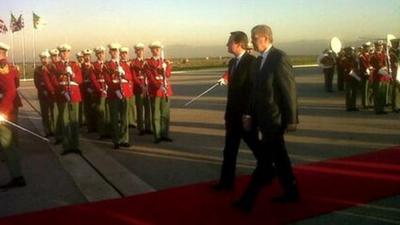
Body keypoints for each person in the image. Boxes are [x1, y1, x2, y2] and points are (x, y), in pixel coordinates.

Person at [238, 25, 299, 212]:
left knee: (264, 161)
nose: (251, 42)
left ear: (265, 38)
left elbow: (288, 90)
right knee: (280, 158)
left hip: (275, 119)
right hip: (262, 118)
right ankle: (292, 191)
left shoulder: (279, 58)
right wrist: (248, 114)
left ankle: (247, 199)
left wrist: (292, 119)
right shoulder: (257, 62)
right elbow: (254, 92)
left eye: (254, 38)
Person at [212, 31, 259, 191]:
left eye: (229, 42)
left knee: (255, 146)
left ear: (239, 44)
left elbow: (253, 91)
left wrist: (249, 114)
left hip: (245, 116)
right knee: (229, 151)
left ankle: (268, 168)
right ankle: (226, 183)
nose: (227, 44)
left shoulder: (252, 62)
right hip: (232, 115)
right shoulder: (232, 63)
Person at [0, 42, 26, 191]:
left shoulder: (2, 67)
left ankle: (17, 176)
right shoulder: (8, 67)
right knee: (9, 143)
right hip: (8, 108)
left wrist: (1, 111)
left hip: (4, 110)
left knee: (7, 143)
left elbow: (10, 91)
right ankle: (16, 171)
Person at [51, 44, 83, 155]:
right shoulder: (55, 66)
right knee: (65, 121)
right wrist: (62, 91)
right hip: (62, 95)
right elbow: (54, 81)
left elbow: (80, 80)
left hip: (74, 94)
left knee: (74, 121)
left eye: (67, 52)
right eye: (63, 52)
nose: (65, 54)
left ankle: (75, 145)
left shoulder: (74, 65)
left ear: (69, 53)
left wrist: (72, 74)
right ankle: (66, 146)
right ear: (60, 53)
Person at [104, 43, 132, 149]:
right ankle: (116, 140)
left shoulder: (124, 64)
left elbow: (130, 77)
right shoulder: (107, 65)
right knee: (115, 118)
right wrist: (116, 91)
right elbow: (107, 80)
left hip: (124, 93)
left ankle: (125, 139)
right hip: (113, 94)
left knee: (125, 117)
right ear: (110, 52)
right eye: (113, 50)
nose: (115, 52)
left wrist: (123, 73)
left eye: (116, 51)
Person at [144, 41, 173, 144]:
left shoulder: (165, 61)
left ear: (160, 50)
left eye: (158, 49)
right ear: (151, 50)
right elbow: (150, 77)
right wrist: (159, 86)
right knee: (156, 114)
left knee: (165, 114)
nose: (156, 51)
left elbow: (168, 75)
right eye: (154, 49)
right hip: (155, 90)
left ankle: (165, 134)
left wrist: (166, 68)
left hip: (165, 90)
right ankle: (157, 135)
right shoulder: (147, 63)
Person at [131, 43, 152, 135]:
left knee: (148, 109)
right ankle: (141, 128)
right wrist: (141, 85)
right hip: (139, 88)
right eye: (138, 50)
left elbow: (151, 74)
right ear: (136, 52)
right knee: (140, 109)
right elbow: (134, 77)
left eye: (141, 50)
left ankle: (148, 127)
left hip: (147, 87)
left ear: (144, 51)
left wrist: (147, 86)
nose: (140, 52)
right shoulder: (133, 63)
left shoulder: (147, 62)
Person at [33, 50, 56, 137]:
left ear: (49, 59)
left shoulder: (53, 68)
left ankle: (54, 130)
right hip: (43, 94)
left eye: (46, 58)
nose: (44, 60)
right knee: (45, 113)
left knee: (53, 112)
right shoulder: (38, 70)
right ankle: (47, 131)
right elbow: (37, 83)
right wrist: (43, 90)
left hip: (52, 93)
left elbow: (54, 80)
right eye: (43, 58)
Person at [90, 46, 111, 139]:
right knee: (101, 112)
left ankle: (109, 131)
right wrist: (100, 89)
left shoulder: (107, 64)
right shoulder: (93, 65)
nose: (101, 55)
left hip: (108, 90)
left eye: (102, 53)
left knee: (108, 112)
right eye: (99, 54)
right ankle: (102, 133)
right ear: (96, 55)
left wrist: (109, 87)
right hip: (100, 92)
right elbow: (93, 79)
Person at [371, 41, 391, 114]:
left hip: (383, 76)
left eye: (380, 46)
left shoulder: (384, 55)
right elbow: (374, 65)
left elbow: (387, 63)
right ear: (376, 47)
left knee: (382, 93)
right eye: (378, 46)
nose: (379, 47)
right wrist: (382, 67)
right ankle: (377, 109)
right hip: (377, 76)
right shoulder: (373, 55)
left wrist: (387, 68)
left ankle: (381, 109)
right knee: (377, 93)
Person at [342, 47, 361, 111]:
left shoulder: (354, 58)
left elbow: (357, 66)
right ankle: (349, 107)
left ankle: (353, 106)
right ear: (346, 51)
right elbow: (346, 66)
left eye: (351, 51)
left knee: (354, 92)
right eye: (349, 51)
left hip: (354, 77)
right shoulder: (344, 58)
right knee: (349, 93)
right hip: (348, 77)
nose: (350, 52)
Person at [359, 42, 374, 109]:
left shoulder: (370, 55)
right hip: (365, 74)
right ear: (364, 48)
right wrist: (368, 68)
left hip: (371, 74)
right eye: (366, 47)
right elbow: (363, 64)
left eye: (368, 47)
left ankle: (369, 102)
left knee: (370, 89)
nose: (367, 48)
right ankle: (365, 104)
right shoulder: (361, 56)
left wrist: (371, 68)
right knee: (365, 89)